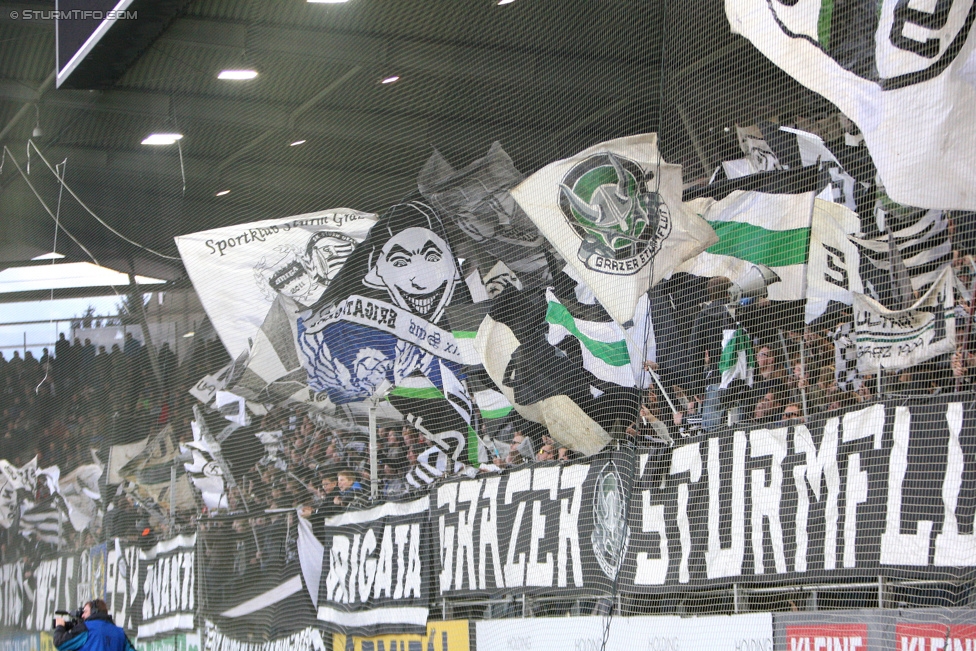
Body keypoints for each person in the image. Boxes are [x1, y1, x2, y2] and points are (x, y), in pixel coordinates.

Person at [54, 599, 134, 651]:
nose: (82, 616)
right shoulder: (120, 632)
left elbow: (59, 643)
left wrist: (60, 626)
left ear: (94, 611)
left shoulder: (87, 628)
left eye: (85, 612)